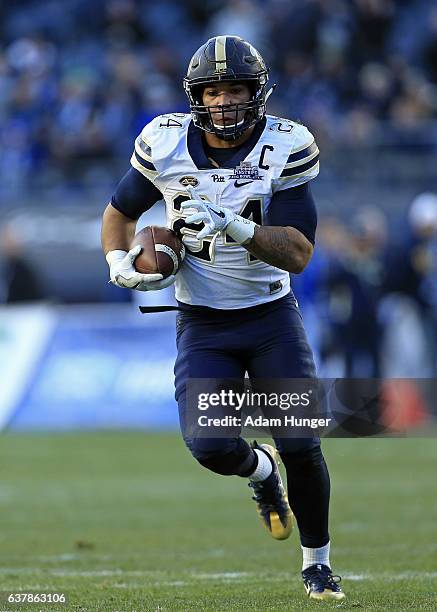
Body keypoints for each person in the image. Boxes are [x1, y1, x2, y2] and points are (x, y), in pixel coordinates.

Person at [101, 35, 345, 601]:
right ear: (197, 97)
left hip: (269, 317)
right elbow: (119, 212)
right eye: (214, 91)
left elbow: (300, 254)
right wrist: (118, 262)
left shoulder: (287, 144)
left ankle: (317, 563)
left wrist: (233, 225)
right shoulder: (163, 142)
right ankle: (261, 474)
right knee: (209, 446)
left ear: (257, 94)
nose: (225, 102)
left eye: (235, 89)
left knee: (302, 442)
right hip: (203, 320)